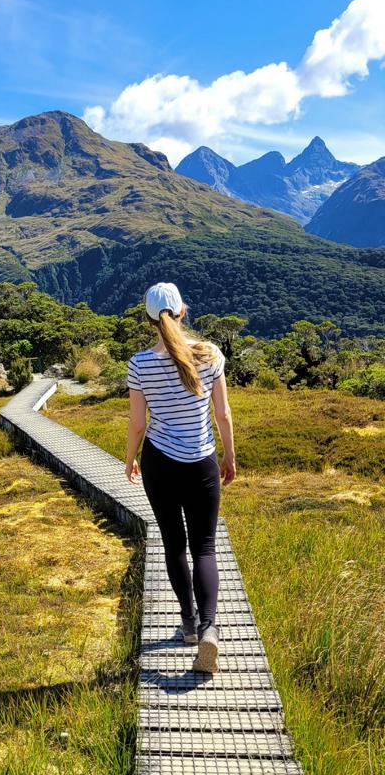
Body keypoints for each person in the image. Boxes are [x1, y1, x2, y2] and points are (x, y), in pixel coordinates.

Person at [124, 282, 236, 674]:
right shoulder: (210, 355)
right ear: (183, 311)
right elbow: (222, 415)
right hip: (202, 462)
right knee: (205, 548)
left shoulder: (140, 364)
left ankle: (188, 624)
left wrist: (129, 459)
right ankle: (209, 630)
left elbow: (138, 424)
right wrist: (229, 457)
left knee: (174, 544)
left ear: (150, 319)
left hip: (160, 464)